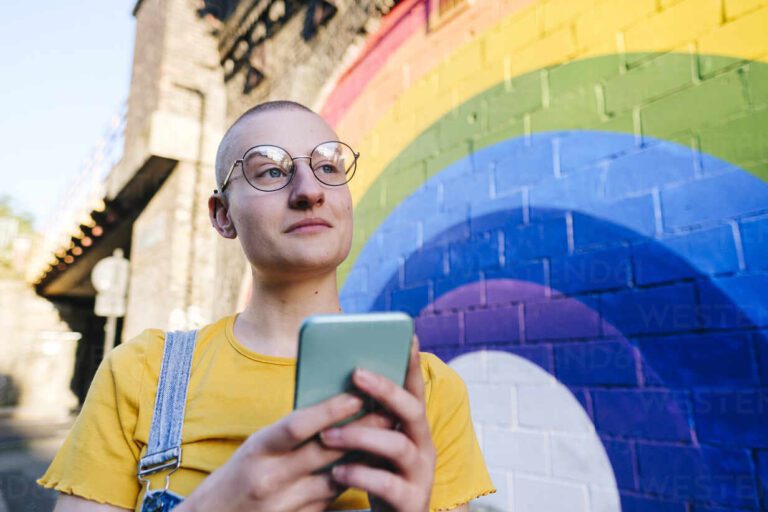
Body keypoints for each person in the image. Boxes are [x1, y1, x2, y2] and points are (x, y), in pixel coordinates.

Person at [38, 101, 495, 511]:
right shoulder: (141, 374)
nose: (309, 190)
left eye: (328, 166)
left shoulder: (428, 390)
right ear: (222, 215)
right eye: (271, 171)